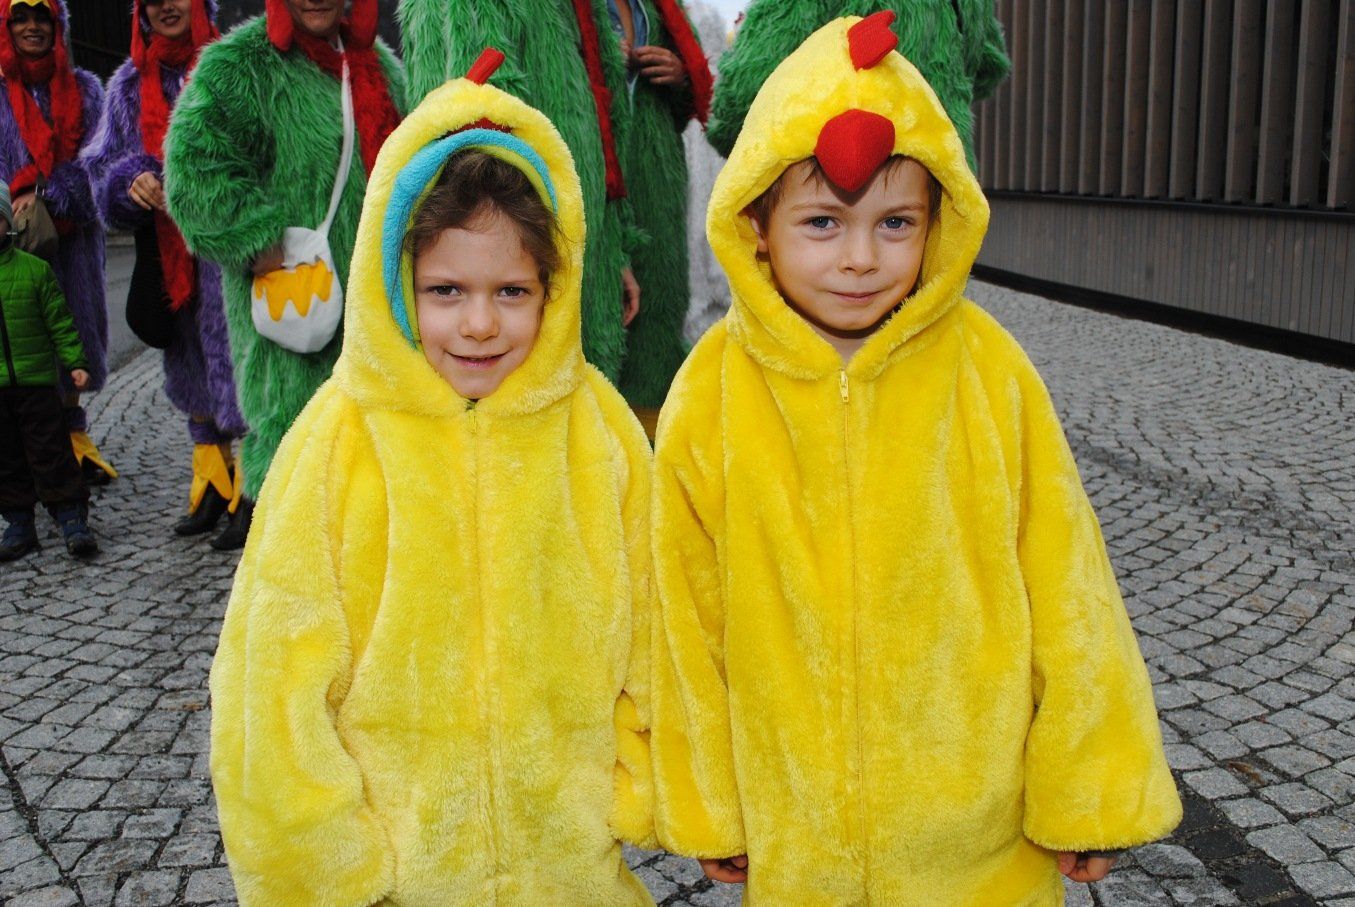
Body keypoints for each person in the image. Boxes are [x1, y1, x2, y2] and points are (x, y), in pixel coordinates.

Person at [649, 14, 1181, 903]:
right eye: (823, 222)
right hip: (800, 838)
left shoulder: (988, 370)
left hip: (978, 842)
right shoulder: (711, 390)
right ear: (757, 223)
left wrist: (1090, 788)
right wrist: (709, 801)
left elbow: (1069, 587)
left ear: (939, 220)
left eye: (894, 221)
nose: (860, 258)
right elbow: (681, 608)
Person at [209, 51, 655, 905]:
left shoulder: (598, 435)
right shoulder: (337, 441)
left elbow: (659, 632)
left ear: (555, 289)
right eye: (445, 290)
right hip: (402, 876)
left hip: (573, 871)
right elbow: (271, 679)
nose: (479, 323)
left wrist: (649, 786)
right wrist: (323, 864)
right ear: (393, 283)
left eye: (511, 291)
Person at [164, 0, 405, 550]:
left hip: (380, 315)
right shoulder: (239, 65)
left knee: (374, 480)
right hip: (297, 312)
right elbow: (193, 170)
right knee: (296, 462)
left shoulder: (377, 65)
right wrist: (256, 239)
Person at [398, 0, 641, 390]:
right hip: (507, 236)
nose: (479, 325)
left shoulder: (588, 9)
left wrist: (616, 253)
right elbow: (465, 128)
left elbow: (607, 145)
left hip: (576, 254)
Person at [83, 0, 248, 541]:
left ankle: (254, 490)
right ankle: (213, 482)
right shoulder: (129, 86)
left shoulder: (234, 63)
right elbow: (101, 168)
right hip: (172, 256)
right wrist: (130, 180)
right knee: (191, 368)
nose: (167, 7)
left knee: (246, 369)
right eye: (154, 1)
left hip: (236, 252)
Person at [0, 0, 114, 485]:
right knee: (21, 343)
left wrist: (48, 192)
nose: (32, 28)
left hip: (74, 243)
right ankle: (29, 448)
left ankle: (75, 437)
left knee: (75, 333)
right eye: (21, 19)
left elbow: (100, 162)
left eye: (42, 18)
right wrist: (9, 200)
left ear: (58, 26)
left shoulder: (86, 89)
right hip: (11, 243)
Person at [705, 0, 1010, 171]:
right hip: (945, 173)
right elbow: (990, 63)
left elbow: (747, 86)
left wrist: (726, 132)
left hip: (839, 179)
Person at [606, 0, 712, 409]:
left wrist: (679, 75)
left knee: (659, 306)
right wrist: (596, 63)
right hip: (595, 170)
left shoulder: (663, 6)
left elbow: (695, 102)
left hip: (658, 179)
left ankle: (655, 432)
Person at [0, 185, 96, 560]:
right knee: (6, 459)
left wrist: (75, 362)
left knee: (51, 451)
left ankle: (71, 517)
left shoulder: (34, 270)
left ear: (8, 221)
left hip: (37, 384)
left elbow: (60, 322)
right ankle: (19, 523)